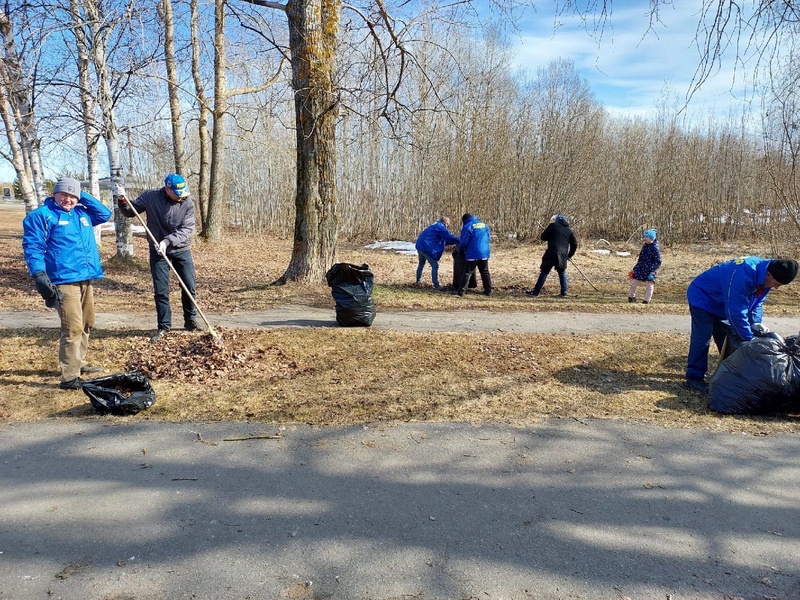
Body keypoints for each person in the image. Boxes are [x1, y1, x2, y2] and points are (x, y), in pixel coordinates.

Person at [22, 177, 113, 390]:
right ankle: (70, 377)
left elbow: (104, 213)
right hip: (63, 280)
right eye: (64, 194)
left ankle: (78, 363)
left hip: (86, 276)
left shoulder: (82, 213)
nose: (68, 199)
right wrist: (38, 274)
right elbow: (33, 246)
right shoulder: (42, 216)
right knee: (72, 327)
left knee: (87, 323)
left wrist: (82, 195)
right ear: (55, 193)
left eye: (73, 195)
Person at [685, 256, 798, 394]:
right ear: (769, 274)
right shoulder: (743, 274)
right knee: (702, 339)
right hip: (703, 298)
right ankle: (694, 378)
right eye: (776, 283)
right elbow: (736, 312)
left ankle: (731, 374)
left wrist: (756, 324)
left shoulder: (768, 273)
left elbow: (757, 302)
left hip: (722, 303)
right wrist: (749, 338)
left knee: (729, 339)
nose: (776, 287)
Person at [113, 174, 200, 342]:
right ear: (167, 189)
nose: (181, 195)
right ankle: (164, 326)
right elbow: (131, 211)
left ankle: (190, 321)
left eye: (183, 191)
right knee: (161, 290)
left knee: (189, 287)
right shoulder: (151, 197)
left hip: (181, 249)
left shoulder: (188, 203)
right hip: (157, 251)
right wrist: (122, 199)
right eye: (177, 192)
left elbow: (186, 229)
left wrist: (167, 242)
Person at [527, 215, 577, 297]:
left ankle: (535, 292)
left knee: (544, 272)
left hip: (551, 253)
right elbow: (574, 244)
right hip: (562, 255)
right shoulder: (569, 231)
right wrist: (569, 255)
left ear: (556, 221)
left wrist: (549, 235)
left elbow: (543, 237)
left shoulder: (552, 226)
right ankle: (563, 293)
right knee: (561, 272)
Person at [414, 217, 459, 289]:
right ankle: (436, 285)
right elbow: (449, 237)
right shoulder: (441, 227)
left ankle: (418, 280)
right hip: (426, 247)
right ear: (446, 223)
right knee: (435, 266)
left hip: (420, 246)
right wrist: (460, 240)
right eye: (448, 225)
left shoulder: (435, 225)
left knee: (421, 264)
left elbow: (444, 240)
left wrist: (454, 242)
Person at [454, 213, 492, 296]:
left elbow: (463, 241)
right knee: (485, 271)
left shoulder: (468, 226)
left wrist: (459, 250)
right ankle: (488, 290)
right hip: (484, 253)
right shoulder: (484, 225)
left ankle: (461, 291)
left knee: (467, 272)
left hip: (473, 254)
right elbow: (489, 237)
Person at [628, 228, 662, 304]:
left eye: (646, 237)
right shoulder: (645, 247)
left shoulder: (655, 248)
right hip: (640, 269)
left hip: (649, 271)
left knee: (649, 286)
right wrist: (635, 269)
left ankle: (646, 300)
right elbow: (640, 260)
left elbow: (658, 261)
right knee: (633, 283)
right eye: (644, 237)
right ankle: (631, 297)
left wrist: (652, 270)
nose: (644, 238)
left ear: (651, 238)